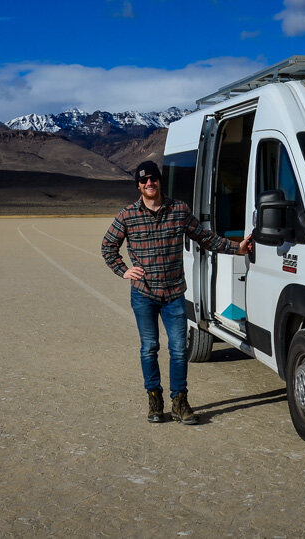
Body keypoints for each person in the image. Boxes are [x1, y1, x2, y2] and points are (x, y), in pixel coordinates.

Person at [102, 160, 252, 425]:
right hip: (144, 294)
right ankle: (154, 399)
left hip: (173, 294)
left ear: (160, 181)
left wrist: (236, 248)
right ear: (138, 185)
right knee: (149, 347)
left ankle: (180, 401)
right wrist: (123, 270)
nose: (150, 184)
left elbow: (205, 237)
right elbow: (108, 246)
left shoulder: (179, 210)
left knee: (179, 350)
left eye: (154, 179)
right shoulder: (127, 215)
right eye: (144, 180)